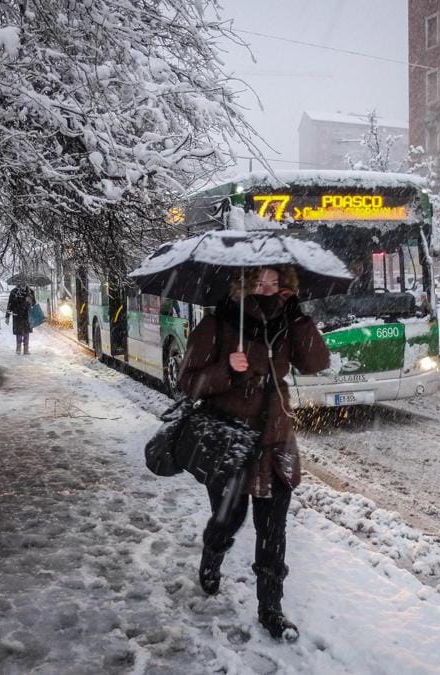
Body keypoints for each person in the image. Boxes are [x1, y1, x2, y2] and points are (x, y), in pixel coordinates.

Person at [177, 266, 330, 641]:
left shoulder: (286, 323)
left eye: (275, 284)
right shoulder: (218, 323)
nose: (267, 290)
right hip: (230, 440)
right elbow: (187, 382)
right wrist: (227, 369)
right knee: (230, 517)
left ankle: (271, 609)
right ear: (241, 285)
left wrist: (299, 319)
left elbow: (316, 363)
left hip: (275, 439)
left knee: (273, 529)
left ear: (287, 288)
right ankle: (213, 552)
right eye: (259, 283)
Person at [5, 282, 36, 354]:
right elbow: (10, 304)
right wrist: (7, 316)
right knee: (19, 332)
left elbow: (34, 303)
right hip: (17, 315)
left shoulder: (30, 292)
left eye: (25, 283)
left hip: (27, 315)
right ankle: (18, 348)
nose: (24, 284)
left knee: (26, 332)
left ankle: (26, 349)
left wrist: (30, 301)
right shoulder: (14, 292)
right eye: (22, 282)